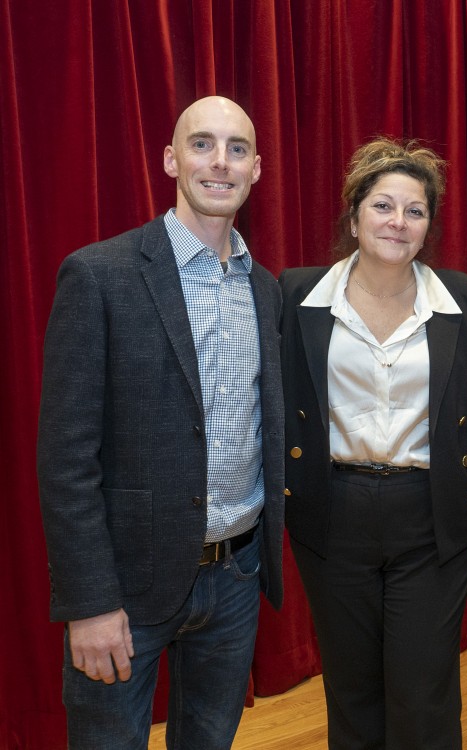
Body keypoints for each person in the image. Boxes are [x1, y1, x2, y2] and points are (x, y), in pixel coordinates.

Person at [36, 96, 284, 748]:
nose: (220, 163)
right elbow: (66, 458)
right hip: (125, 591)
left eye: (237, 149)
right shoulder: (99, 276)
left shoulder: (266, 289)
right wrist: (89, 602)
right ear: (172, 158)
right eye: (202, 144)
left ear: (257, 168)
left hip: (234, 578)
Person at [279, 137, 467, 749]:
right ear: (353, 218)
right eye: (383, 206)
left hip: (430, 518)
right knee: (350, 689)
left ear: (428, 224)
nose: (397, 222)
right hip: (332, 513)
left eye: (414, 210)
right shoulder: (296, 296)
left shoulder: (460, 299)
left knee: (424, 689)